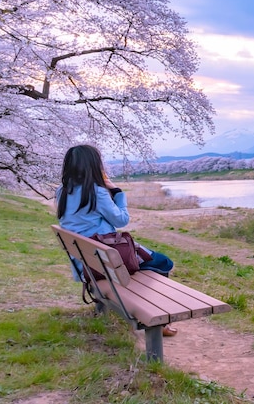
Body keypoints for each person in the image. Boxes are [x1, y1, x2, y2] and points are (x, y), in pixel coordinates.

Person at [56, 144, 178, 337]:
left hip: (85, 262)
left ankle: (147, 306)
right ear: (95, 165)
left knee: (151, 261)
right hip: (105, 262)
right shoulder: (96, 191)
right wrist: (118, 192)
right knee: (164, 262)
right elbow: (121, 220)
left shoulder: (62, 191)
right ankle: (158, 318)